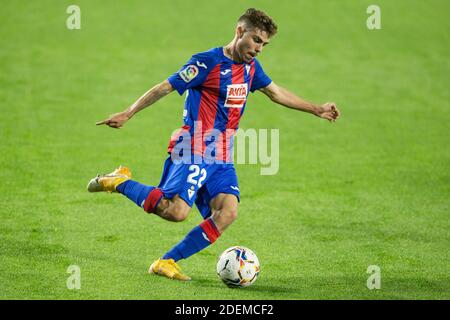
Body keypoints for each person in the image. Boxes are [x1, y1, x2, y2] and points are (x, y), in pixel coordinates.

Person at [88, 8, 340, 281]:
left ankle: (167, 261)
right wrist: (128, 112)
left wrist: (316, 109)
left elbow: (275, 92)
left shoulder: (251, 68)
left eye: (264, 44)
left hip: (222, 154)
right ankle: (119, 181)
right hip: (194, 146)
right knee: (176, 211)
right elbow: (165, 86)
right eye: (256, 40)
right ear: (240, 31)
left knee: (228, 212)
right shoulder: (207, 63)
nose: (259, 49)